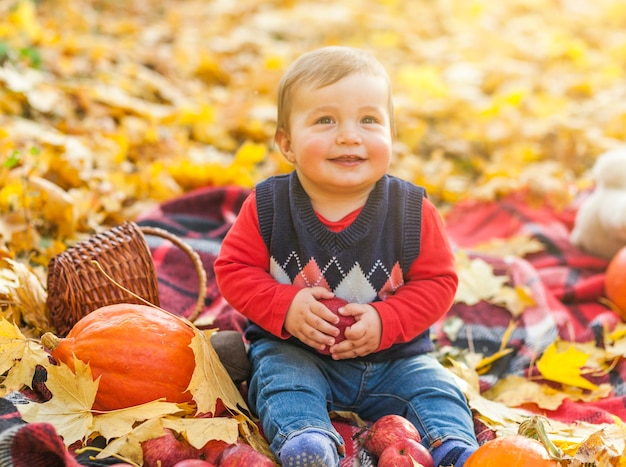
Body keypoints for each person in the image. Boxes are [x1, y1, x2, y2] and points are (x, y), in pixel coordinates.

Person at [214, 46, 478, 467]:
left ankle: (451, 446)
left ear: (391, 134)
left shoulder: (411, 211)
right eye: (325, 120)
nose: (349, 135)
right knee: (279, 379)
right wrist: (284, 305)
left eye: (369, 120)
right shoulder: (268, 206)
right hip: (299, 351)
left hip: (397, 359)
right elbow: (234, 269)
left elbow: (438, 281)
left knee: (435, 387)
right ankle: (307, 439)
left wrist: (387, 320)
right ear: (287, 143)